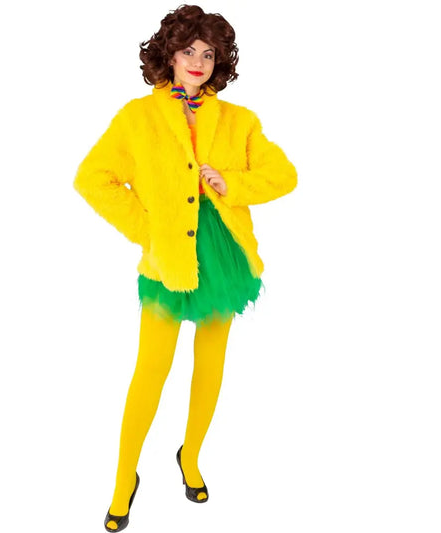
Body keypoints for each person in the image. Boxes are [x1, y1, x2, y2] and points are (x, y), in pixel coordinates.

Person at [73, 4, 297, 531]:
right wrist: (150, 230)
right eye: (187, 50)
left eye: (209, 53)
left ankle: (190, 456)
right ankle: (123, 477)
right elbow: (92, 178)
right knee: (149, 372)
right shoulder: (138, 117)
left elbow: (284, 175)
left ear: (219, 62)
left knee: (210, 366)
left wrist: (232, 184)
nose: (198, 61)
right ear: (168, 55)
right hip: (167, 259)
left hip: (224, 257)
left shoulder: (239, 120)